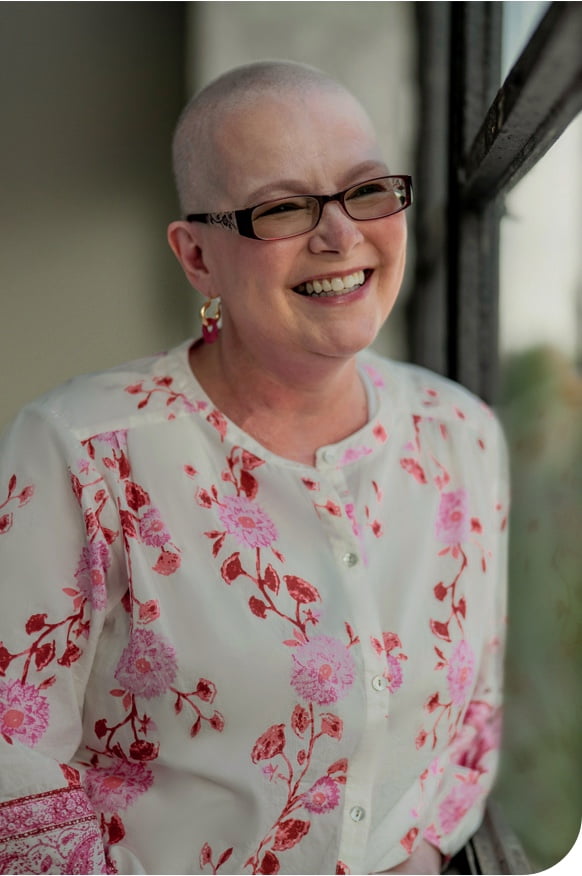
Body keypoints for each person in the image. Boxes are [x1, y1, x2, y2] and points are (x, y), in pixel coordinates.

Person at [0, 61, 508, 875]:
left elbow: (474, 717)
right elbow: (11, 767)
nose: (340, 235)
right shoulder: (79, 450)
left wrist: (416, 858)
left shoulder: (465, 436)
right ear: (197, 256)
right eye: (282, 207)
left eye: (367, 190)